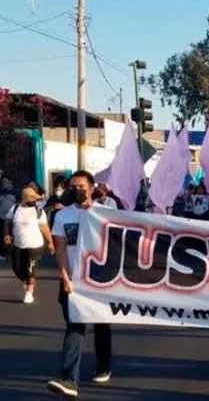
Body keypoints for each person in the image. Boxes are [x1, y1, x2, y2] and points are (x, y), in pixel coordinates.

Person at [46, 170, 112, 398]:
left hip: (100, 283)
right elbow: (61, 249)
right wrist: (65, 277)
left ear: (92, 187)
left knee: (102, 325)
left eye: (81, 185)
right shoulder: (63, 216)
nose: (77, 190)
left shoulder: (106, 213)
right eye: (73, 186)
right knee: (75, 327)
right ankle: (69, 379)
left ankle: (104, 364)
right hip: (73, 281)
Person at [3, 186, 55, 304]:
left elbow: (45, 228)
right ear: (26, 199)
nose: (35, 200)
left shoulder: (38, 212)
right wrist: (6, 235)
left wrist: (50, 243)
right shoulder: (15, 209)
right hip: (18, 244)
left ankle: (29, 292)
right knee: (18, 269)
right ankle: (27, 281)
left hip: (35, 245)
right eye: (33, 198)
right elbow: (7, 220)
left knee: (30, 269)